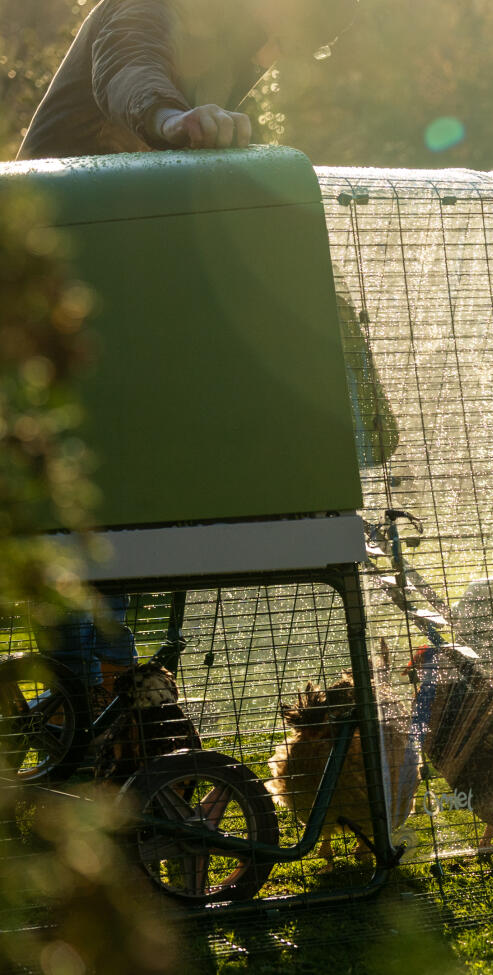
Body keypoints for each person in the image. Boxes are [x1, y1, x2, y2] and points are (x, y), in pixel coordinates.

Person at [19, 0, 358, 702]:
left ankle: (109, 734)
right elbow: (132, 68)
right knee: (85, 537)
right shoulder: (148, 9)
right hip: (53, 307)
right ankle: (95, 735)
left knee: (118, 548)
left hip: (131, 315)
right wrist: (172, 119)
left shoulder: (242, 40)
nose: (283, 48)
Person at [17, 0, 357, 160]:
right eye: (283, 42)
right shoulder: (154, 5)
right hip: (48, 231)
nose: (273, 57)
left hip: (123, 223)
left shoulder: (236, 46)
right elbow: (129, 66)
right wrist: (169, 119)